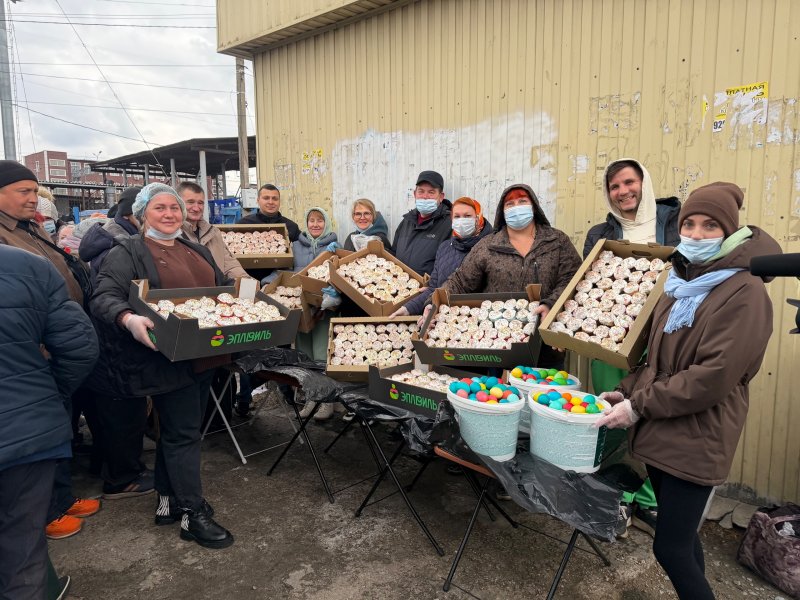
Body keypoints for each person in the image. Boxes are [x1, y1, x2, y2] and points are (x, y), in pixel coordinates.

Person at [595, 182, 781, 600]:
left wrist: (638, 406)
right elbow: (657, 362)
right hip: (664, 429)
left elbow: (711, 378)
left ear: (730, 232)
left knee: (670, 548)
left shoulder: (745, 292)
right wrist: (625, 392)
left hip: (698, 433)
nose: (696, 234)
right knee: (683, 540)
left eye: (710, 225)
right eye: (689, 224)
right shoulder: (681, 282)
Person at [90, 183, 234, 549]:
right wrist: (128, 319)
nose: (169, 214)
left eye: (174, 208)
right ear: (142, 214)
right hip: (166, 356)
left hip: (206, 354)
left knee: (179, 432)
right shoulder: (129, 251)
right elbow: (103, 296)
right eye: (160, 208)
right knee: (184, 434)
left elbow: (220, 289)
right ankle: (192, 514)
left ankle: (167, 501)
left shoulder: (195, 249)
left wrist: (243, 295)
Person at [0, 160, 100, 540]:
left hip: (59, 337)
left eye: (34, 191)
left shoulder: (29, 228)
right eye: (23, 191)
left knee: (60, 423)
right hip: (34, 350)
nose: (33, 198)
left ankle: (61, 496)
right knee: (40, 433)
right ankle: (48, 511)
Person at [584, 158, 682, 538]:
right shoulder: (600, 233)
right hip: (611, 337)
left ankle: (650, 499)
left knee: (652, 411)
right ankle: (617, 493)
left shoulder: (673, 223)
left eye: (629, 182)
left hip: (662, 334)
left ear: (644, 182)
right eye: (614, 186)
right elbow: (588, 282)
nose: (623, 192)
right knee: (612, 410)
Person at [0, 244, 98, 599]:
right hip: (25, 428)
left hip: (23, 425)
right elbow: (80, 346)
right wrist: (47, 395)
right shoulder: (28, 264)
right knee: (21, 548)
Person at [438, 184, 582, 368]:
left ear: (533, 206)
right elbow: (460, 281)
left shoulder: (556, 241)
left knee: (544, 385)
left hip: (546, 341)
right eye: (510, 204)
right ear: (502, 211)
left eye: (522, 201)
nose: (516, 208)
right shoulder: (488, 245)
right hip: (498, 344)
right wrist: (434, 302)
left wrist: (551, 304)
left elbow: (572, 279)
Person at [393, 197, 493, 316]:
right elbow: (434, 289)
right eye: (457, 216)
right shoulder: (445, 248)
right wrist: (408, 308)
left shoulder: (491, 248)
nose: (462, 221)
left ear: (478, 218)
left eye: (467, 216)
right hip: (443, 319)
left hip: (478, 318)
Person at [287, 207, 339, 420]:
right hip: (301, 311)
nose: (315, 224)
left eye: (320, 220)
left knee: (322, 357)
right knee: (305, 357)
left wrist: (334, 293)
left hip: (323, 311)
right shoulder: (295, 246)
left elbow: (342, 277)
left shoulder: (335, 246)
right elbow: (285, 271)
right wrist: (268, 282)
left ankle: (327, 401)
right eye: (311, 220)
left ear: (326, 223)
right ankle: (311, 398)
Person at [179, 181, 248, 280]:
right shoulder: (174, 236)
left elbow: (230, 265)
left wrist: (248, 284)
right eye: (190, 202)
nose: (196, 208)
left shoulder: (214, 233)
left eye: (200, 203)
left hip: (217, 289)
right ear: (178, 203)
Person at [391, 170, 452, 275]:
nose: (425, 196)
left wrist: (431, 283)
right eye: (421, 191)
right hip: (401, 283)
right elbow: (393, 253)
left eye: (431, 192)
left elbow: (449, 265)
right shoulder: (406, 222)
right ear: (415, 194)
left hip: (428, 285)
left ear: (441, 197)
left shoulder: (450, 224)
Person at [79, 187, 142, 283]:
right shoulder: (116, 247)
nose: (146, 216)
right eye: (139, 212)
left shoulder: (125, 236)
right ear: (125, 215)